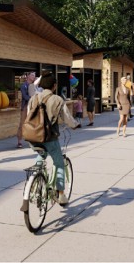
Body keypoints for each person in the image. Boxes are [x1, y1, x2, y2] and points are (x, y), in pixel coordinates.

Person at [25, 70, 80, 206]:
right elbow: (67, 118)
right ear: (54, 86)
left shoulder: (33, 98)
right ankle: (61, 194)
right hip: (49, 137)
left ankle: (35, 181)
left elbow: (28, 115)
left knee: (41, 154)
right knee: (59, 163)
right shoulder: (57, 99)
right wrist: (75, 125)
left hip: (33, 137)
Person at [17, 71, 36, 148]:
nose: (33, 77)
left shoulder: (34, 85)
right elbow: (25, 96)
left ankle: (31, 141)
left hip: (32, 106)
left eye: (34, 75)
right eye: (32, 75)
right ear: (28, 76)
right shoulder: (24, 85)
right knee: (22, 124)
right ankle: (19, 141)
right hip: (25, 106)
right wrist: (33, 98)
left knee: (32, 124)